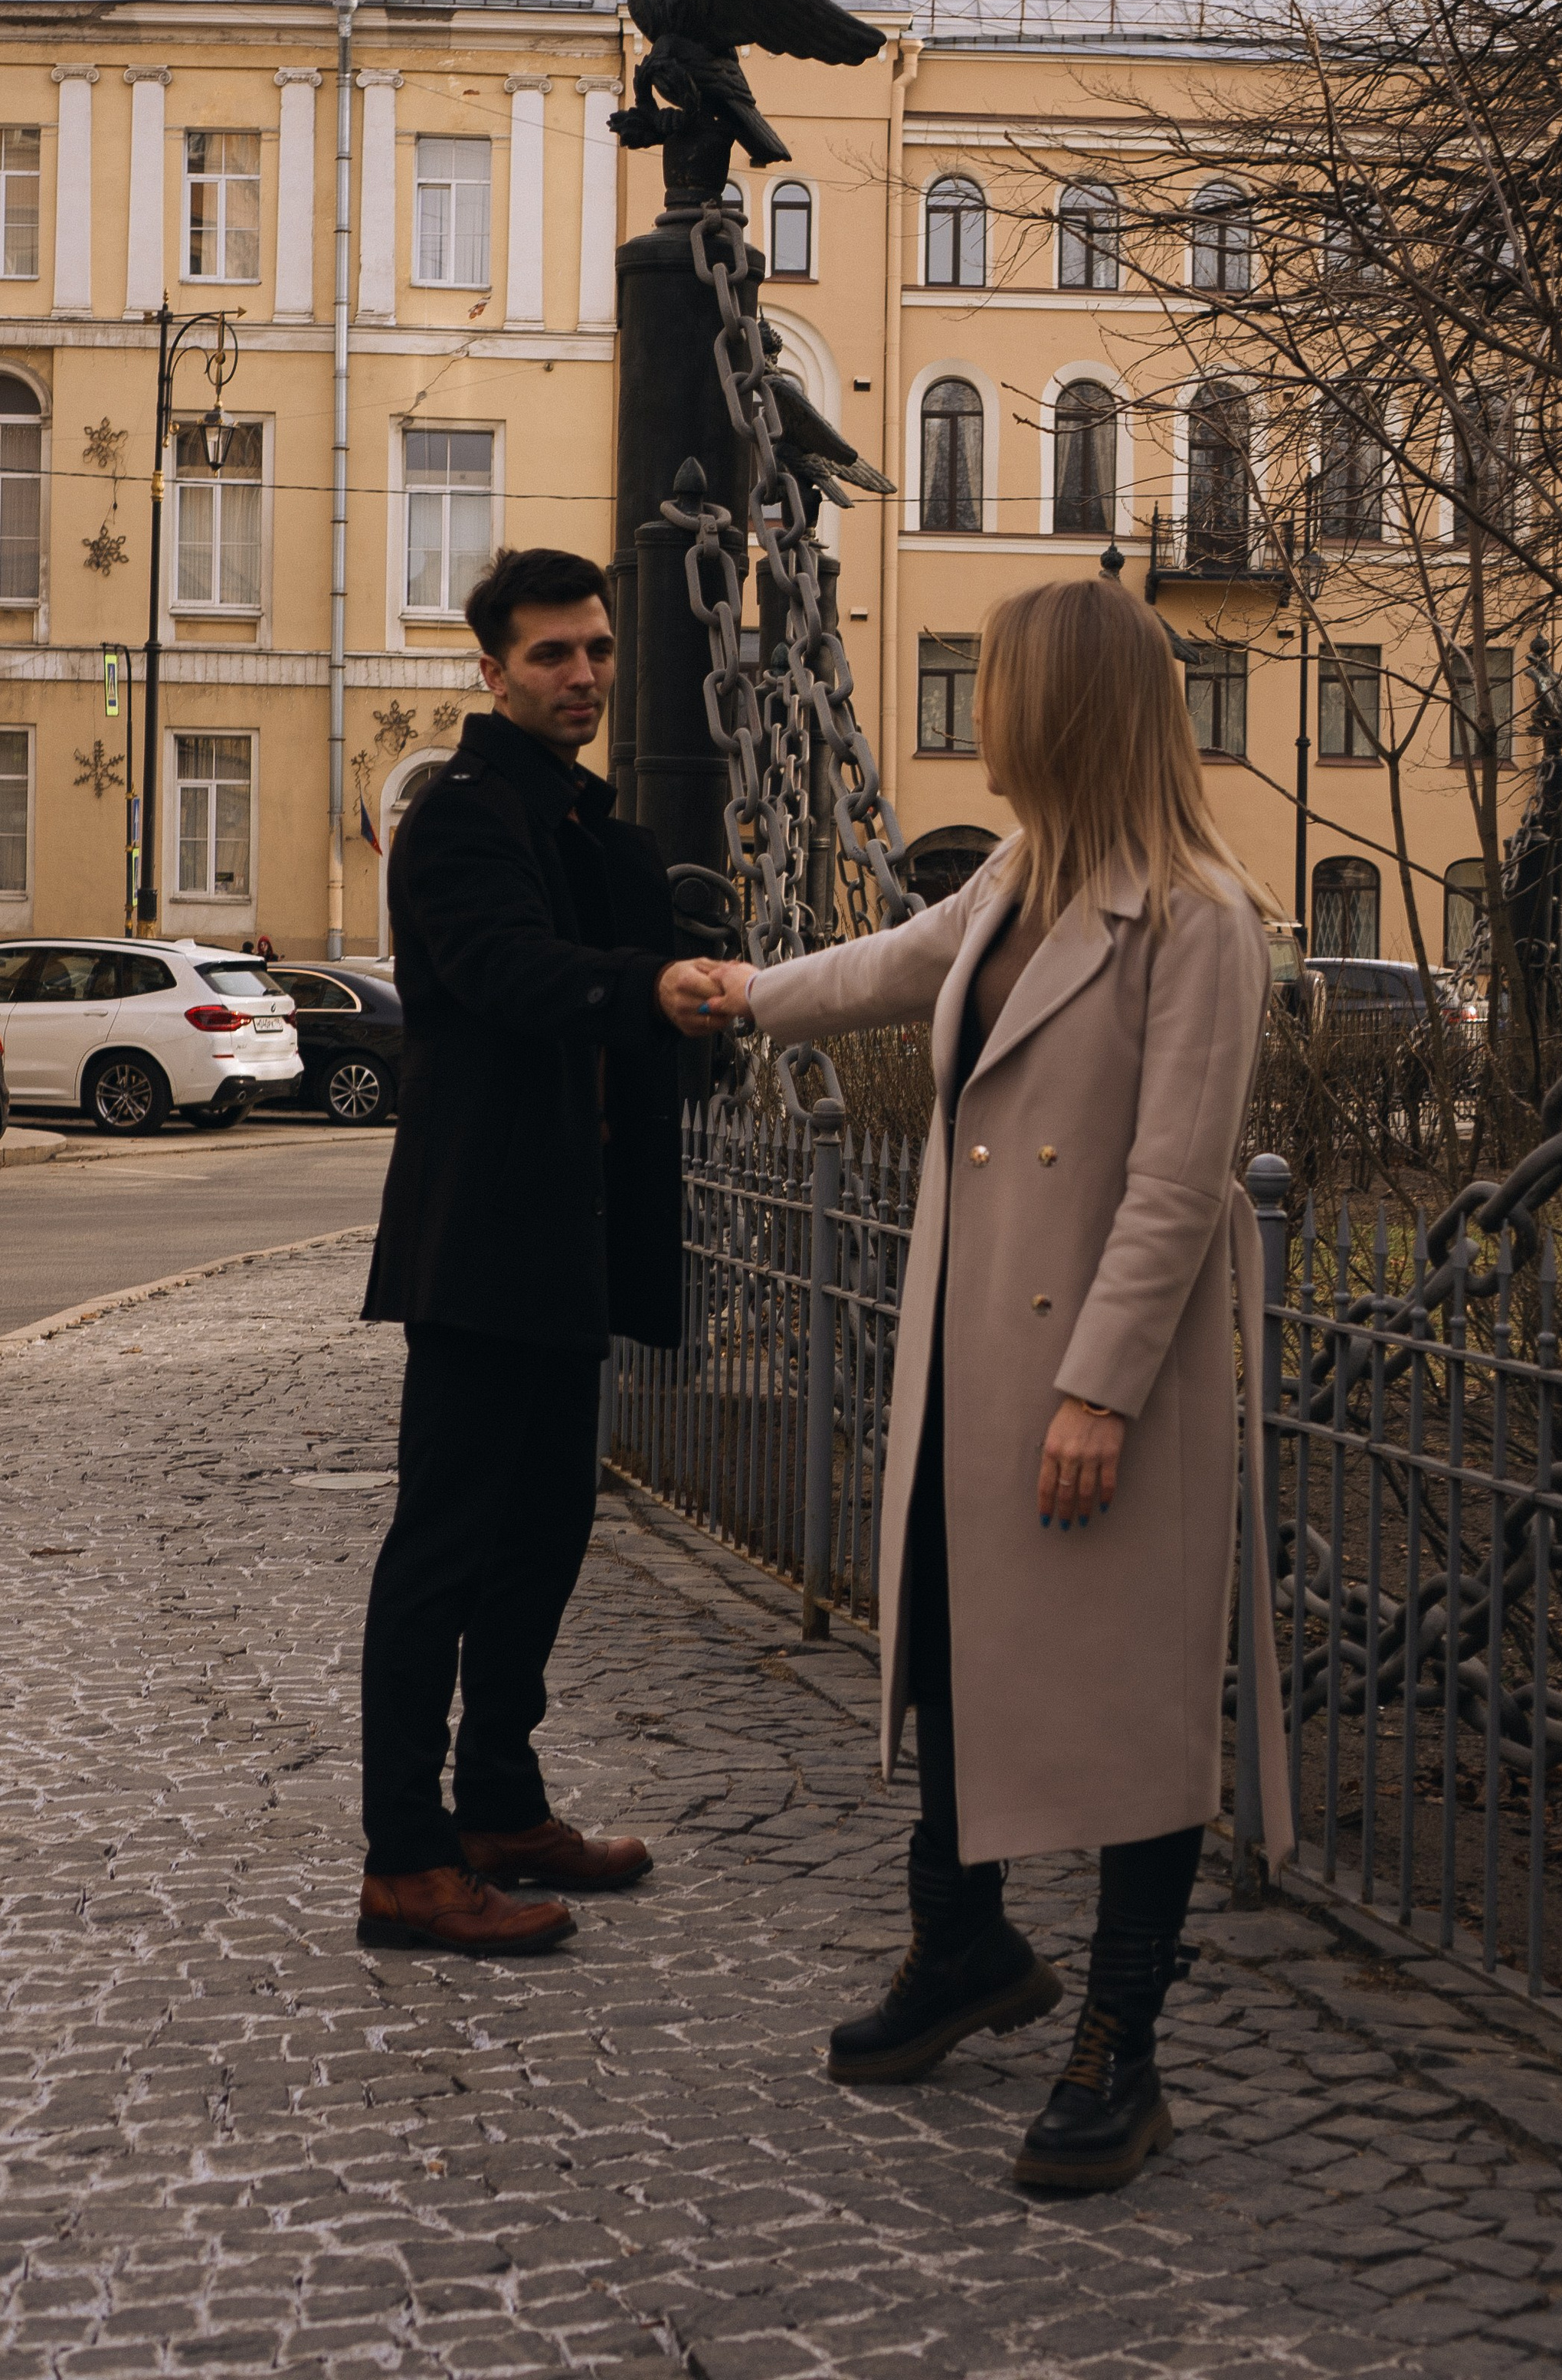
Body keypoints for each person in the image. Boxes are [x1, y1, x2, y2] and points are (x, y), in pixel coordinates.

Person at [696, 578, 1294, 2193]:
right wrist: (746, 992)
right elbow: (898, 964)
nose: (984, 714)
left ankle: (1121, 2042)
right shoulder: (1025, 875)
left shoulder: (1197, 918)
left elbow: (1176, 1186)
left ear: (1066, 708)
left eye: (1003, 683)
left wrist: (1099, 1392)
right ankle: (961, 1944)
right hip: (973, 1350)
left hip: (1107, 1377)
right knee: (955, 1648)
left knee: (1134, 1704)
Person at [355, 545, 717, 1957]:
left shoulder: (583, 824)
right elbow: (507, 971)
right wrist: (652, 982)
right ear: (492, 670)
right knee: (442, 1549)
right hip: (479, 1237)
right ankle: (405, 1860)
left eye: (599, 650)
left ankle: (500, 1806)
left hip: (571, 1237)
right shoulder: (458, 820)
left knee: (550, 1529)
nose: (584, 676)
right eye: (552, 654)